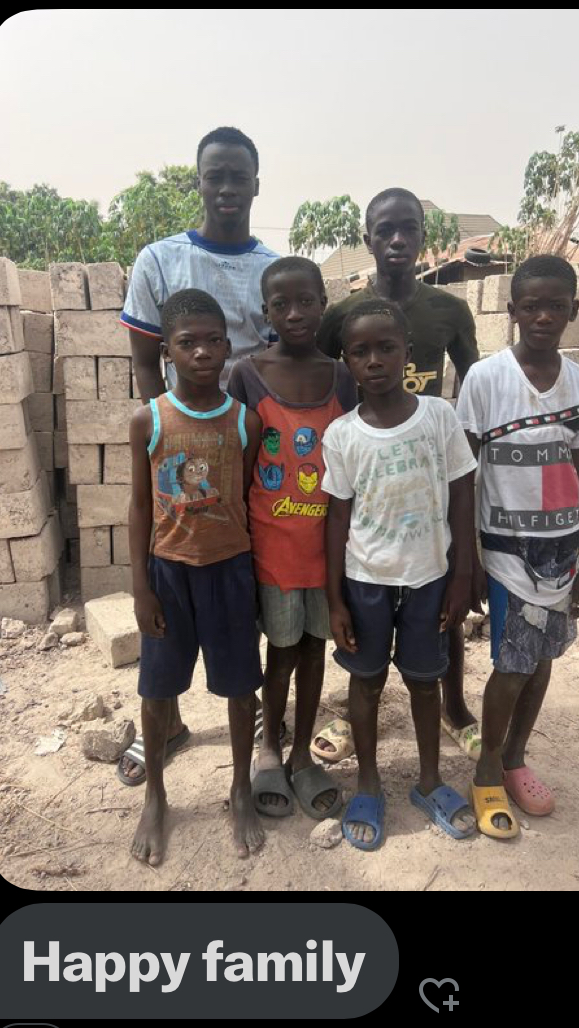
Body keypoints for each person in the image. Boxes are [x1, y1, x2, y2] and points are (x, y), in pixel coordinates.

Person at [118, 126, 279, 785]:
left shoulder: (273, 266)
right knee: (172, 590)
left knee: (242, 580)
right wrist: (173, 433)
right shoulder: (158, 260)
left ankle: (255, 715)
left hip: (247, 438)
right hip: (181, 442)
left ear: (256, 184)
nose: (226, 188)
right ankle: (168, 721)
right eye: (215, 175)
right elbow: (142, 354)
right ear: (198, 181)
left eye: (239, 175)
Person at [314, 187, 482, 763]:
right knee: (366, 607)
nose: (397, 240)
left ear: (422, 236)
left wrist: (463, 450)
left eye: (408, 229)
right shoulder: (341, 316)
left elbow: (473, 384)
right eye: (384, 230)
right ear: (367, 239)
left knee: (438, 603)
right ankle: (354, 707)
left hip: (429, 466)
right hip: (364, 466)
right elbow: (313, 373)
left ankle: (454, 705)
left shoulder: (448, 310)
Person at [455, 255, 579, 839]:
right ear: (513, 311)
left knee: (542, 659)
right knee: (512, 664)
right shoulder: (487, 380)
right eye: (531, 306)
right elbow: (464, 476)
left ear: (574, 309)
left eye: (556, 306)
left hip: (562, 554)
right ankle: (487, 766)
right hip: (505, 552)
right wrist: (466, 558)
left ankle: (517, 755)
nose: (543, 316)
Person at [323, 298, 479, 850]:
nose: (374, 360)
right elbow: (337, 517)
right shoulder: (341, 435)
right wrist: (335, 599)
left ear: (407, 353)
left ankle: (429, 781)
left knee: (423, 679)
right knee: (365, 681)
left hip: (429, 577)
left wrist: (463, 574)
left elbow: (462, 493)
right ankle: (368, 782)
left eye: (386, 347)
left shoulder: (438, 418)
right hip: (365, 580)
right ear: (347, 362)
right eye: (360, 351)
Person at [128, 288, 264, 865]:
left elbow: (247, 498)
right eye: (188, 343)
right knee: (157, 691)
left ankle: (239, 787)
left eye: (213, 341)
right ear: (168, 352)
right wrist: (139, 587)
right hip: (170, 573)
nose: (202, 352)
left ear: (228, 347)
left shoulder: (245, 422)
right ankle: (157, 796)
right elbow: (138, 506)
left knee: (239, 687)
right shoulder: (149, 419)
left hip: (229, 571)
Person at [227, 257, 358, 820]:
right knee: (278, 650)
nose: (295, 313)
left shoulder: (342, 376)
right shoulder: (246, 373)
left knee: (312, 649)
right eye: (281, 304)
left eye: (306, 301)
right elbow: (237, 465)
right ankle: (270, 749)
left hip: (327, 549)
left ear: (323, 305)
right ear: (266, 312)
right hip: (272, 549)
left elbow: (355, 460)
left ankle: (304, 754)